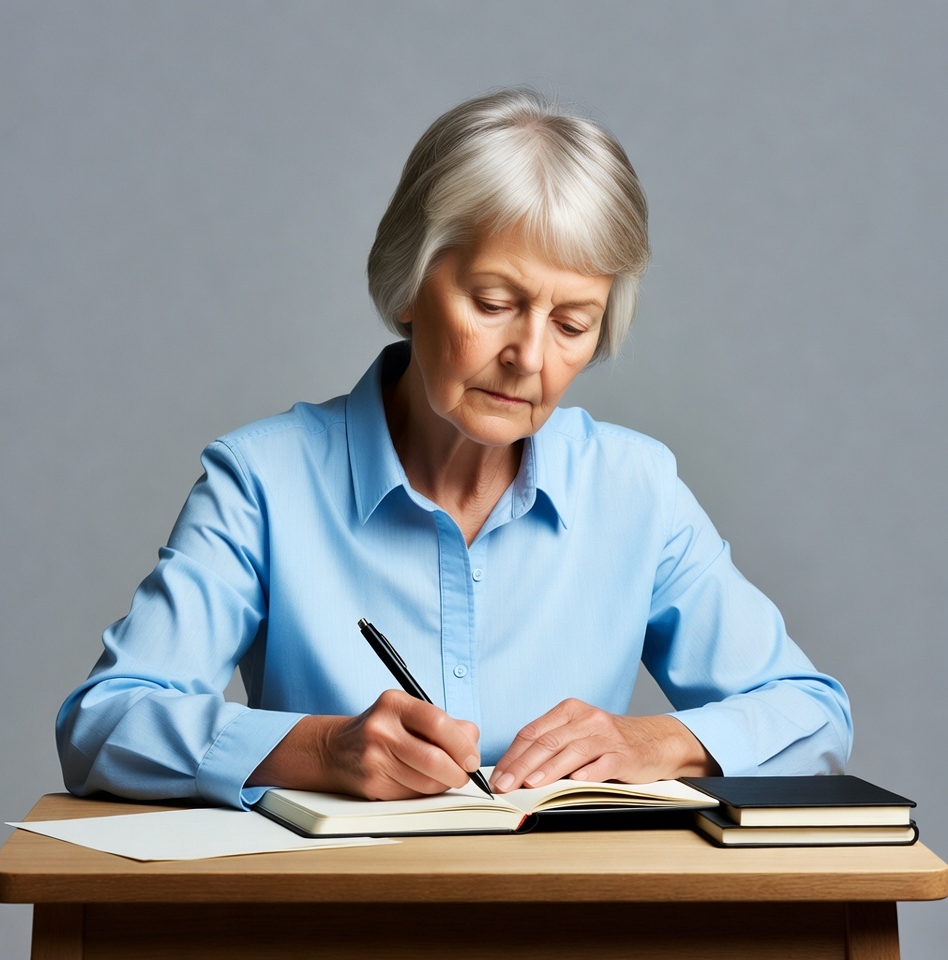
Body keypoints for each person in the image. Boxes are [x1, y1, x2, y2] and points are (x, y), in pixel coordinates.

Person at [56, 88, 852, 810]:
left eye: (572, 324)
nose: (530, 358)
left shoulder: (634, 487)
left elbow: (814, 715)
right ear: (408, 282)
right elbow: (104, 722)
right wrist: (320, 750)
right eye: (495, 303)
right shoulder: (263, 479)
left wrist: (659, 741)